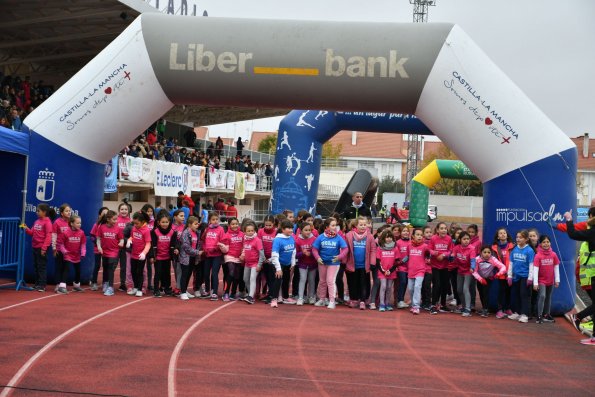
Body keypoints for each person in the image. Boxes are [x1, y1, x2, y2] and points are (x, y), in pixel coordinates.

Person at [312, 217, 348, 309]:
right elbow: (314, 249)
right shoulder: (321, 237)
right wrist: (317, 257)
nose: (335, 227)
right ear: (327, 227)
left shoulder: (338, 238)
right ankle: (322, 299)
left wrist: (339, 257)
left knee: (330, 281)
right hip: (322, 263)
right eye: (332, 225)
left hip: (333, 263)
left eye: (335, 225)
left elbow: (345, 249)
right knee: (322, 281)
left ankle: (332, 301)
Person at [344, 217, 376, 310]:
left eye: (364, 225)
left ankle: (363, 300)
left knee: (364, 283)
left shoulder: (369, 236)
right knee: (352, 282)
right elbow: (346, 249)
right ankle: (354, 299)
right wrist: (344, 261)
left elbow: (373, 250)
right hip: (352, 264)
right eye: (361, 225)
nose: (363, 226)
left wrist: (372, 262)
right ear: (355, 225)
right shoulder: (349, 235)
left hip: (364, 265)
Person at [23, 204, 55, 292]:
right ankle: (37, 284)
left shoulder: (48, 222)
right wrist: (26, 228)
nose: (37, 212)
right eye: (36, 211)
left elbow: (48, 236)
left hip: (42, 248)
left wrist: (44, 248)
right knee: (36, 266)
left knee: (41, 266)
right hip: (35, 246)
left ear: (44, 212)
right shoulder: (37, 221)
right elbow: (32, 232)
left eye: (38, 211)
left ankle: (42, 285)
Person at [507, 230, 535, 323]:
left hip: (525, 277)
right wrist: (509, 276)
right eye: (517, 237)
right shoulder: (515, 249)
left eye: (521, 237)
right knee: (515, 295)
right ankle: (517, 312)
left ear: (526, 239)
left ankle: (525, 314)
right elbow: (511, 263)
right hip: (516, 276)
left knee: (524, 295)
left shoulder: (529, 250)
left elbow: (531, 265)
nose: (518, 239)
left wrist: (530, 278)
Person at [472, 245, 506, 318]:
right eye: (484, 252)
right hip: (480, 278)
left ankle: (485, 309)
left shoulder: (493, 259)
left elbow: (503, 267)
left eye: (489, 252)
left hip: (489, 278)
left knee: (485, 293)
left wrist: (498, 274)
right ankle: (484, 307)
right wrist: (480, 279)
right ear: (481, 253)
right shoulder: (477, 259)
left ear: (491, 253)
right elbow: (474, 271)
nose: (487, 254)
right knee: (481, 293)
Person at [532, 235, 560, 324]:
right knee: (542, 296)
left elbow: (556, 267)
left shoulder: (554, 254)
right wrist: (535, 283)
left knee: (548, 298)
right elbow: (535, 269)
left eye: (547, 242)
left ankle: (546, 315)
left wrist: (557, 280)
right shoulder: (538, 255)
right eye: (544, 242)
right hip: (541, 281)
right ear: (540, 244)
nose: (546, 244)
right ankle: (539, 315)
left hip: (550, 281)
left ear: (550, 243)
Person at [96, 210, 124, 296]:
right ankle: (105, 283)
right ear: (108, 219)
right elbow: (98, 238)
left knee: (111, 268)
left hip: (114, 251)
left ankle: (111, 287)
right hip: (104, 251)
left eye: (116, 219)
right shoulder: (102, 227)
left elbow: (121, 238)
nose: (116, 221)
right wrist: (99, 247)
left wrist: (121, 242)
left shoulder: (118, 228)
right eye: (114, 219)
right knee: (105, 267)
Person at [151, 211, 178, 298]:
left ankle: (167, 288)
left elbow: (174, 244)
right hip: (158, 257)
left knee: (167, 273)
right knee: (158, 273)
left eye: (166, 222)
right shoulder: (154, 232)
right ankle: (156, 290)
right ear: (158, 222)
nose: (165, 224)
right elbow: (152, 245)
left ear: (169, 222)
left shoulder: (172, 232)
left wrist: (176, 250)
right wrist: (152, 256)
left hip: (167, 257)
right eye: (163, 222)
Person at [270, 220, 296, 308]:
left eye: (292, 228)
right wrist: (278, 268)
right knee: (277, 281)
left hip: (287, 264)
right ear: (283, 229)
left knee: (286, 280)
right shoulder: (277, 240)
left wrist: (293, 263)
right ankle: (274, 299)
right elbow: (274, 255)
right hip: (279, 264)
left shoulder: (291, 237)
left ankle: (285, 297)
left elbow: (293, 250)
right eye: (288, 228)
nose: (291, 230)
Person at [429, 222, 453, 314]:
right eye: (441, 228)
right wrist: (436, 254)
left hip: (445, 266)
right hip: (435, 266)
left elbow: (450, 250)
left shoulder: (449, 239)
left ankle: (443, 304)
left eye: (445, 228)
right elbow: (429, 249)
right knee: (437, 285)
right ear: (437, 230)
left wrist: (443, 255)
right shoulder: (433, 238)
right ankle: (433, 305)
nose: (444, 230)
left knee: (444, 285)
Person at [58, 215, 87, 294]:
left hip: (76, 255)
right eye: (77, 223)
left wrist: (83, 252)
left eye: (80, 223)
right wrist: (64, 251)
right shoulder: (65, 233)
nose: (79, 225)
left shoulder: (81, 233)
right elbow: (61, 244)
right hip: (68, 254)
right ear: (71, 223)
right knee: (66, 269)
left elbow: (83, 244)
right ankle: (62, 286)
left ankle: (76, 286)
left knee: (78, 271)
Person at [406, 228, 431, 315]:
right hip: (411, 270)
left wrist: (430, 256)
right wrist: (400, 262)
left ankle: (416, 306)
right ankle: (413, 304)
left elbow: (429, 254)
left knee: (417, 287)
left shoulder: (424, 246)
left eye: (421, 235)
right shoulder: (409, 246)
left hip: (420, 270)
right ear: (413, 236)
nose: (420, 236)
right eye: (417, 234)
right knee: (411, 288)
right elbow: (407, 257)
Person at [127, 211, 152, 297]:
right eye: (134, 223)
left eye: (137, 223)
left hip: (141, 255)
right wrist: (129, 240)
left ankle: (140, 289)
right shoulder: (134, 228)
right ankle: (135, 287)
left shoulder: (146, 230)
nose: (135, 225)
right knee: (133, 271)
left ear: (142, 222)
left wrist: (144, 253)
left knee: (139, 272)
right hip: (133, 254)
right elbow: (132, 236)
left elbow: (148, 243)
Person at [202, 212, 225, 300]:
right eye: (213, 219)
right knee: (206, 273)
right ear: (209, 221)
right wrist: (205, 249)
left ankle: (214, 292)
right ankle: (207, 290)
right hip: (208, 254)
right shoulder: (207, 229)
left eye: (216, 219)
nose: (215, 221)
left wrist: (215, 248)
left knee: (214, 273)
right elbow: (203, 240)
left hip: (217, 255)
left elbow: (222, 241)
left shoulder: (221, 229)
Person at [492, 228, 514, 319]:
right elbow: (493, 260)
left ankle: (507, 308)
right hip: (501, 273)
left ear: (507, 235)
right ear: (498, 236)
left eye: (504, 233)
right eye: (500, 233)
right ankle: (499, 310)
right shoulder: (494, 248)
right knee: (501, 291)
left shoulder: (512, 246)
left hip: (510, 273)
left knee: (509, 291)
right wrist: (500, 270)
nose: (502, 234)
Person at [220, 217, 244, 301]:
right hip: (229, 256)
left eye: (236, 224)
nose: (235, 225)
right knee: (231, 272)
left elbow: (244, 246)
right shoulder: (227, 235)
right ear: (229, 225)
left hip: (239, 257)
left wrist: (243, 254)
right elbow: (226, 249)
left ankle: (233, 293)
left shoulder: (242, 234)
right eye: (233, 224)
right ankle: (226, 293)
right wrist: (222, 247)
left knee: (237, 276)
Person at [294, 222, 318, 306]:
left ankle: (311, 296)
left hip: (313, 264)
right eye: (306, 230)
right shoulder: (298, 240)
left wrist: (311, 253)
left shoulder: (314, 239)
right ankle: (300, 297)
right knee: (303, 279)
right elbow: (295, 255)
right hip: (302, 264)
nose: (308, 232)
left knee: (312, 280)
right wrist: (302, 253)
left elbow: (317, 251)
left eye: (309, 230)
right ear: (301, 231)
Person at [178, 216, 202, 300]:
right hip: (185, 257)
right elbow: (186, 247)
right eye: (195, 224)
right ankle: (183, 292)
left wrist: (197, 252)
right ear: (189, 224)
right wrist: (197, 252)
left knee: (188, 274)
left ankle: (185, 290)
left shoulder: (197, 233)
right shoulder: (185, 233)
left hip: (192, 257)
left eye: (198, 223)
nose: (197, 225)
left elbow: (198, 244)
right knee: (184, 275)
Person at [452, 232, 475, 316]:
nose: (466, 241)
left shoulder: (471, 248)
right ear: (459, 240)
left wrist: (472, 267)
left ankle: (468, 309)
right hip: (460, 271)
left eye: (468, 239)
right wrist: (449, 257)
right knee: (459, 289)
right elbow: (452, 256)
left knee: (465, 288)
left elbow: (473, 259)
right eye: (464, 239)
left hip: (469, 271)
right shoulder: (457, 248)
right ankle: (464, 306)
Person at [241, 221, 264, 304]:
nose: (251, 232)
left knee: (252, 278)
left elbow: (262, 254)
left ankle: (250, 296)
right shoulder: (245, 239)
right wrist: (242, 256)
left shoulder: (257, 240)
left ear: (254, 231)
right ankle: (251, 293)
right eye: (248, 231)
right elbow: (244, 249)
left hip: (255, 263)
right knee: (245, 279)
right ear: (245, 232)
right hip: (247, 263)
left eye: (252, 231)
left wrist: (259, 264)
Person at [376, 229, 399, 312]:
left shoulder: (395, 249)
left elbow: (396, 262)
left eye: (390, 237)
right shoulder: (379, 248)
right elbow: (378, 262)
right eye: (387, 237)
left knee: (389, 287)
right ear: (383, 238)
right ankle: (382, 304)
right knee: (383, 286)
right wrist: (383, 271)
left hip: (391, 272)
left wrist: (390, 270)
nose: (389, 239)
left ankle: (387, 303)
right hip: (382, 272)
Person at [52, 203, 72, 292]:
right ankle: (57, 284)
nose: (69, 212)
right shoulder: (57, 222)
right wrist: (54, 248)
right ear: (61, 213)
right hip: (59, 249)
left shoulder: (71, 222)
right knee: (59, 267)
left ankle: (63, 284)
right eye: (66, 211)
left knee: (66, 267)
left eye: (69, 211)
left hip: (68, 249)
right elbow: (54, 235)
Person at [258, 215, 277, 303]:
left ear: (273, 224)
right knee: (267, 277)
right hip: (263, 257)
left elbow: (276, 246)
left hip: (272, 258)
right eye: (266, 225)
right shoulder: (261, 231)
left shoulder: (276, 232)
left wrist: (271, 258)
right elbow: (259, 244)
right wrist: (263, 258)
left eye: (270, 225)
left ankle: (272, 295)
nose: (268, 227)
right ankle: (269, 294)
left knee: (272, 277)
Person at [90, 207, 109, 291]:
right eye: (104, 213)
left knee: (106, 266)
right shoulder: (96, 225)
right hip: (97, 249)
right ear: (99, 215)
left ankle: (105, 282)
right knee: (97, 265)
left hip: (107, 249)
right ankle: (94, 282)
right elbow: (92, 236)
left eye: (107, 213)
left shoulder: (110, 225)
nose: (105, 215)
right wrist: (97, 243)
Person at [116, 203, 131, 292]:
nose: (124, 211)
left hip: (125, 247)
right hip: (116, 246)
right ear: (119, 210)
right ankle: (108, 282)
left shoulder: (130, 221)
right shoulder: (116, 220)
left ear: (128, 211)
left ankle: (122, 283)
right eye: (122, 209)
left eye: (125, 209)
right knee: (112, 265)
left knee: (124, 266)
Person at [395, 225, 410, 309]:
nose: (406, 232)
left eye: (407, 231)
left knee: (406, 283)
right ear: (400, 233)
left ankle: (401, 300)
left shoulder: (411, 242)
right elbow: (396, 255)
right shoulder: (398, 242)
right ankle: (399, 300)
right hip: (401, 267)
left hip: (410, 267)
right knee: (403, 282)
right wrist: (399, 262)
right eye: (404, 231)